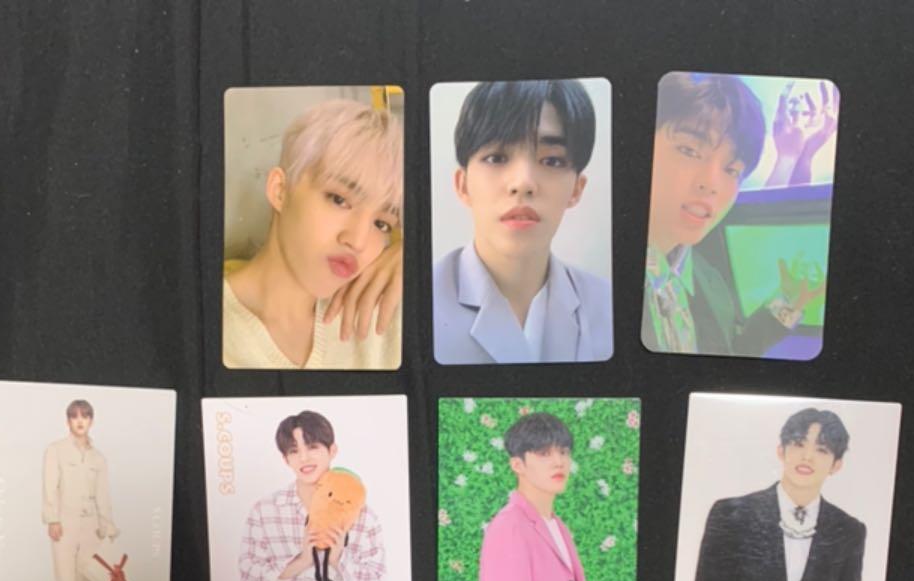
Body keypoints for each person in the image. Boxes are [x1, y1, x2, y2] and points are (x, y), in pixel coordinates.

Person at [641, 72, 832, 357]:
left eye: (732, 170)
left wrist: (789, 303)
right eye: (689, 151)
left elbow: (728, 354)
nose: (711, 184)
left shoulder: (711, 281)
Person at [433, 79, 612, 365]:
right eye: (496, 157)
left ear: (577, 189)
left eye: (552, 161)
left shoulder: (609, 307)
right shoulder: (415, 302)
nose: (523, 183)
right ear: (462, 185)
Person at [689, 407, 866, 581]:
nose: (807, 456)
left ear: (836, 464)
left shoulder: (849, 530)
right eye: (798, 444)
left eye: (822, 450)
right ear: (781, 451)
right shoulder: (731, 514)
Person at [223, 98, 404, 370]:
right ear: (280, 191)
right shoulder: (210, 330)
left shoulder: (386, 313)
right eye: (339, 200)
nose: (357, 242)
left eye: (381, 224)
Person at [238, 409, 386, 581]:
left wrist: (339, 560)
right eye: (294, 451)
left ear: (332, 450)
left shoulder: (362, 514)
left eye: (313, 447)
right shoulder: (265, 510)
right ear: (285, 459)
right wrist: (302, 561)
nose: (304, 458)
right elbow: (248, 575)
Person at [478, 412, 608, 581]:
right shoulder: (510, 527)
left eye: (563, 452)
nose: (558, 462)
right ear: (518, 464)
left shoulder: (558, 527)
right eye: (544, 453)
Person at [41, 399, 118, 581]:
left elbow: (103, 495)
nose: (80, 421)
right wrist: (52, 519)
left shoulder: (98, 458)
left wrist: (107, 527)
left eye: (85, 416)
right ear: (68, 421)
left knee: (85, 578)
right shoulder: (56, 450)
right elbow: (49, 486)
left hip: (90, 525)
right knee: (65, 577)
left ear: (91, 420)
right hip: (65, 523)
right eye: (74, 416)